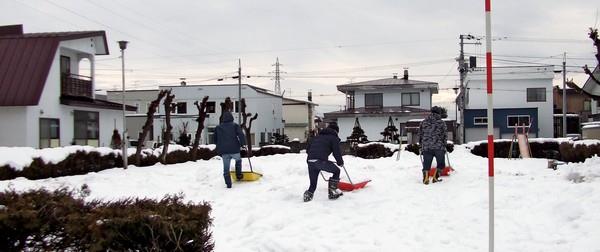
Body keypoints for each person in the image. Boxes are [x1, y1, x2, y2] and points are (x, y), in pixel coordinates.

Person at [303, 122, 344, 202]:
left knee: (313, 184)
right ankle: (332, 192)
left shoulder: (316, 137)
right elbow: (336, 152)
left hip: (310, 161)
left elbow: (308, 150)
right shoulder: (333, 138)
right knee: (336, 171)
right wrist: (340, 162)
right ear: (336, 131)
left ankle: (308, 196)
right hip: (320, 161)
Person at [214, 111, 246, 188]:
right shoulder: (235, 126)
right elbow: (241, 135)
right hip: (234, 149)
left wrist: (219, 147)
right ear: (231, 118)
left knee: (226, 168)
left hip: (224, 151)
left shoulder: (218, 127)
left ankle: (228, 184)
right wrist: (243, 144)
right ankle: (238, 175)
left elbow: (215, 139)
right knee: (238, 160)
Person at [418, 106, 448, 185]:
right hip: (439, 146)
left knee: (426, 164)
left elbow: (420, 135)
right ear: (439, 113)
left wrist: (421, 145)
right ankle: (435, 177)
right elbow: (444, 135)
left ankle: (426, 178)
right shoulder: (441, 123)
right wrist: (444, 144)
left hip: (426, 146)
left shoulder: (423, 122)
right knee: (441, 164)